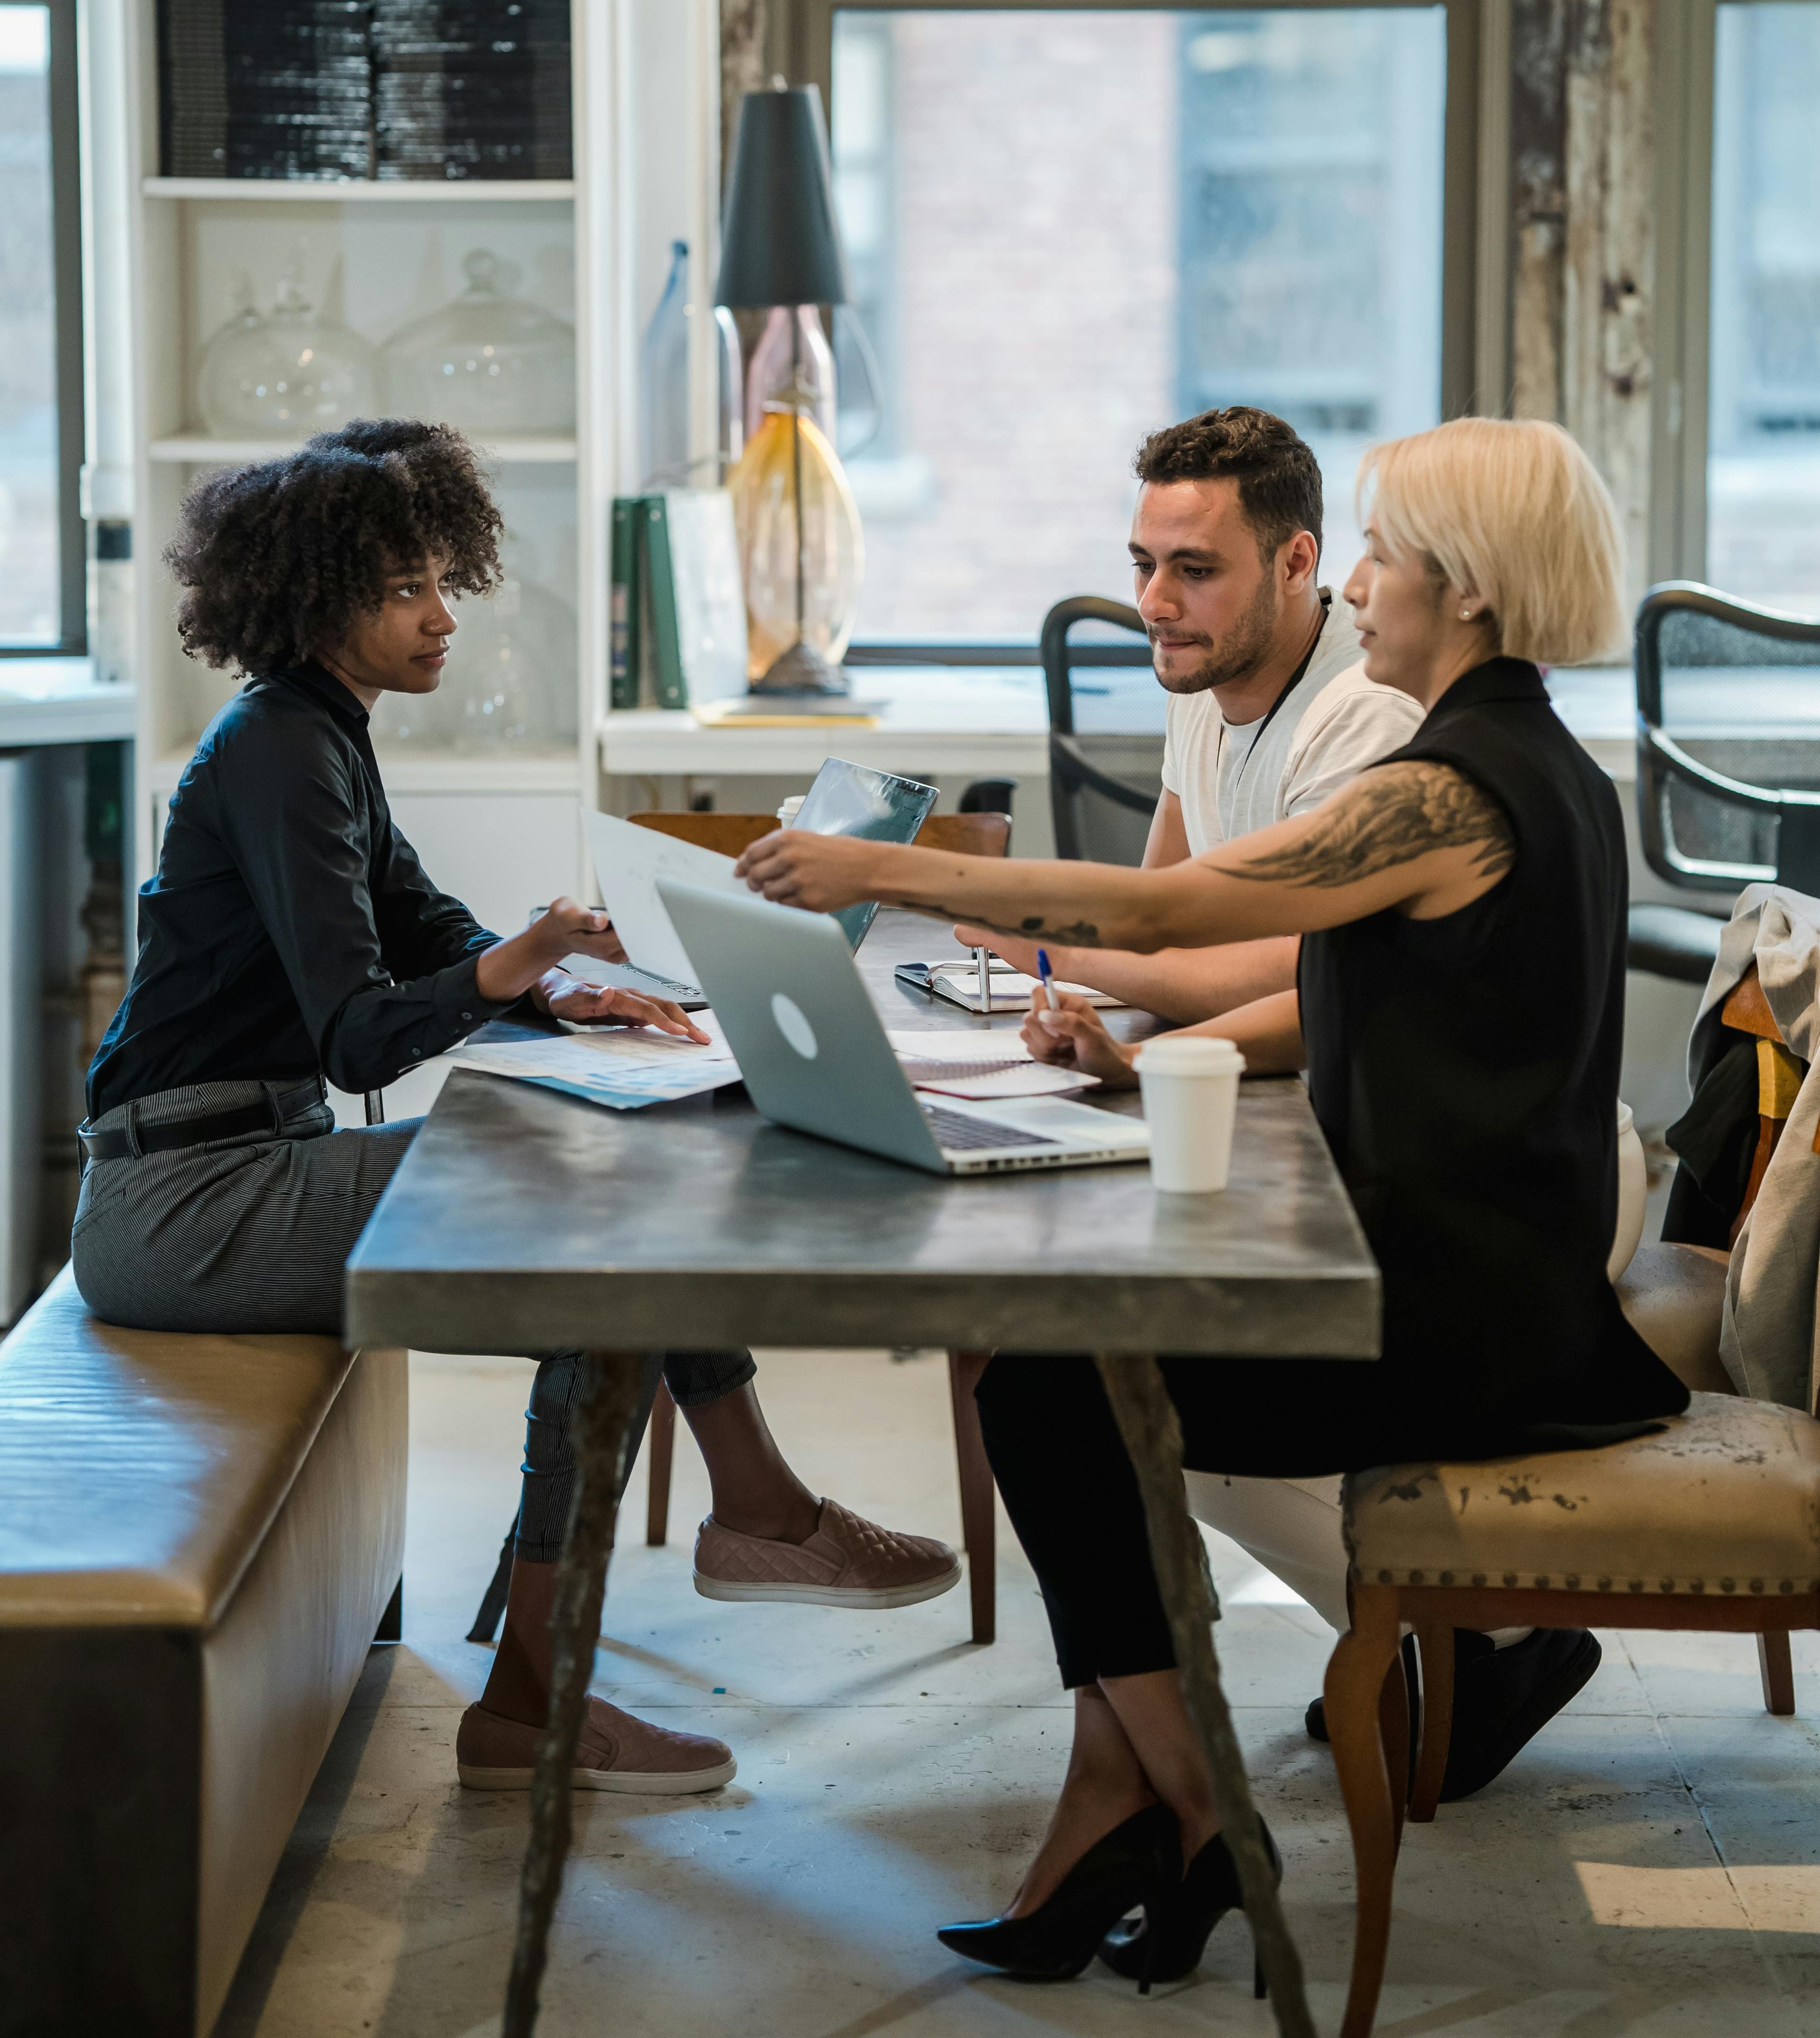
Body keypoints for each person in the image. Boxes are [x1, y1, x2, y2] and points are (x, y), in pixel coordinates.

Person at [736, 418, 1689, 1984]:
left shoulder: (1452, 791)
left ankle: (1192, 1809)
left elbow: (1183, 906)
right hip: (1466, 1275)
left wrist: (892, 874)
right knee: (1055, 1378)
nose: (1362, 580)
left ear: (1463, 585)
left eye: (1383, 553)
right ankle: (1126, 1802)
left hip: (1458, 1316)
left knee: (1055, 1391)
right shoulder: (1531, 759)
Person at [73, 421, 957, 1799]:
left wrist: (562, 995)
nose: (443, 618)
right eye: (405, 590)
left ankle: (739, 1527)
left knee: (631, 1174)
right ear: (318, 598)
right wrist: (524, 960)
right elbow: (361, 1031)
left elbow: (423, 925)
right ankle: (580, 1663)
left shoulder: (320, 737)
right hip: (186, 1204)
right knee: (603, 1232)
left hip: (237, 1162)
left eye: (444, 581)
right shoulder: (276, 753)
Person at [953, 405, 1423, 1042]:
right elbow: (1156, 921)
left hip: (1342, 1105)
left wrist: (1060, 954)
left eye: (1196, 570)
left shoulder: (1364, 715)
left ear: (1295, 564)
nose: (1153, 604)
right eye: (1145, 564)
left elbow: (1307, 977)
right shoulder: (1203, 672)